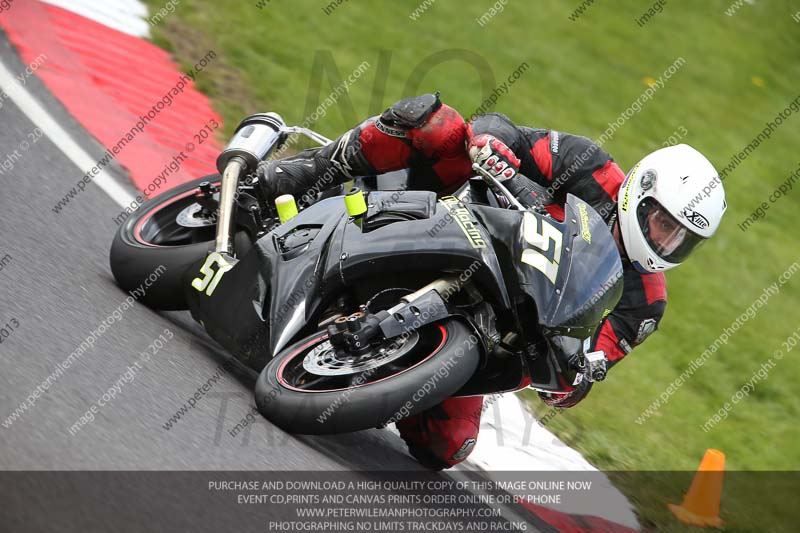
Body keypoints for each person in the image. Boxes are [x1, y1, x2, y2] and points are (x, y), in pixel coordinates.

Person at [257, 93, 727, 469]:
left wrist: (577, 376)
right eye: (663, 222)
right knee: (439, 125)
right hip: (452, 217)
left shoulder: (645, 303)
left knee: (448, 447)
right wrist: (491, 145)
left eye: (681, 238)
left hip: (492, 323)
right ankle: (304, 173)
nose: (665, 240)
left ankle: (364, 368)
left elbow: (583, 369)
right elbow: (506, 130)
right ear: (639, 192)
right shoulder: (592, 168)